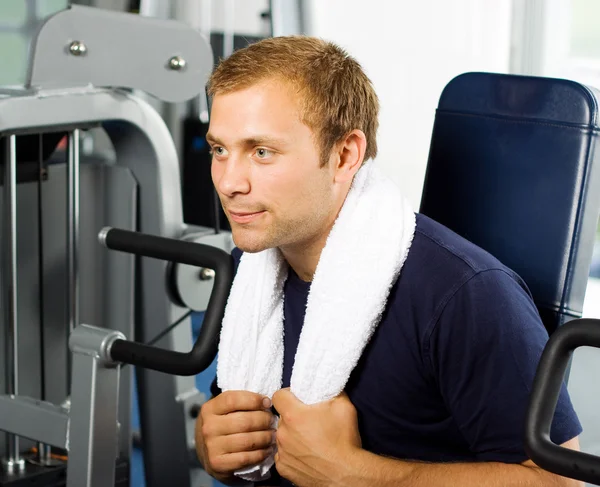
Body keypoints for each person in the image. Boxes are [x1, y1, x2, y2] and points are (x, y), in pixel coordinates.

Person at [194, 35, 583, 487]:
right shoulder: (254, 267)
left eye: (261, 152)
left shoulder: (466, 293)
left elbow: (561, 483)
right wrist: (216, 448)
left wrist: (356, 476)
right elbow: (243, 441)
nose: (228, 182)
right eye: (219, 150)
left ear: (344, 155)